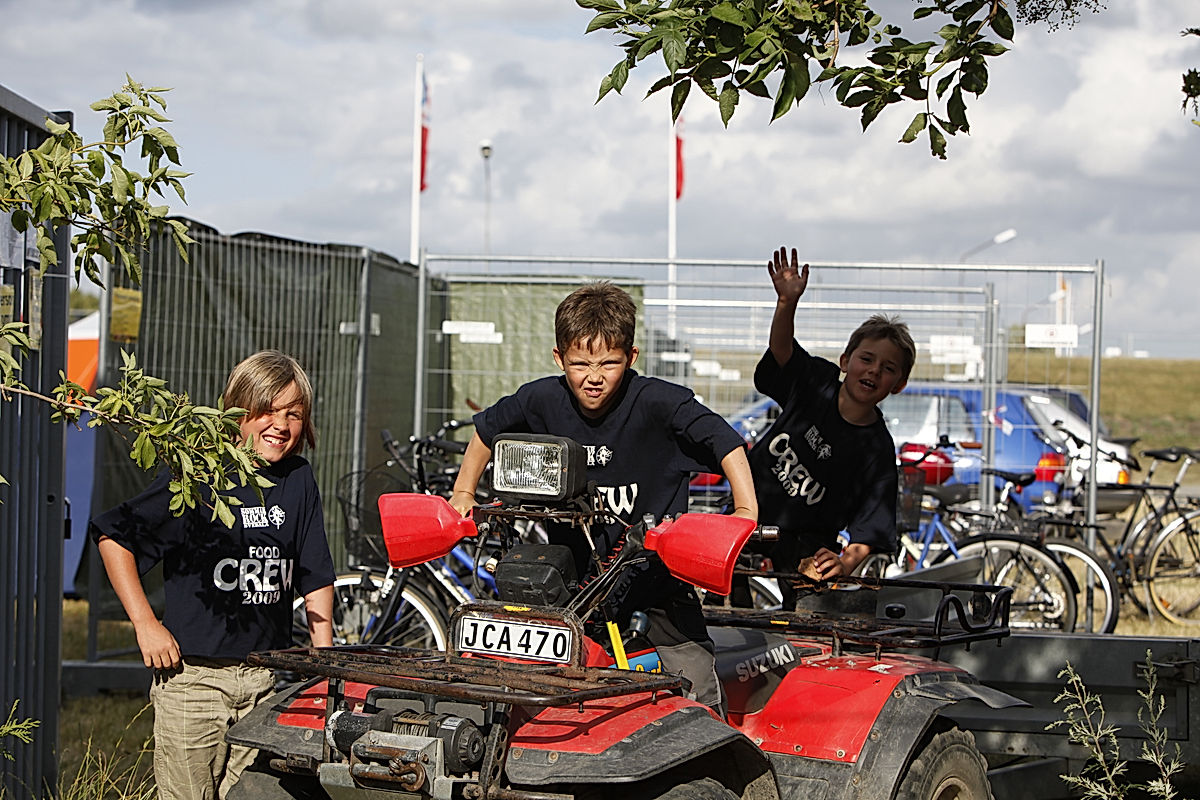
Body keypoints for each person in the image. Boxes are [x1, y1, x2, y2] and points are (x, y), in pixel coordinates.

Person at [450, 281, 757, 711]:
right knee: (533, 694)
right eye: (580, 364)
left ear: (631, 358)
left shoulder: (659, 403)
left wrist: (745, 511)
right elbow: (487, 430)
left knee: (696, 687)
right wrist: (463, 492)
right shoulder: (541, 399)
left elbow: (726, 441)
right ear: (559, 358)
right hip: (569, 585)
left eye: (609, 363)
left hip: (655, 581)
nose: (594, 377)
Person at [89, 350, 335, 800]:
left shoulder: (299, 479)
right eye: (266, 410)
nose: (280, 425)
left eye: (293, 414)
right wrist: (146, 625)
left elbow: (315, 574)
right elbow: (115, 537)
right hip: (193, 682)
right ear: (237, 411)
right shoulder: (200, 473)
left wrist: (324, 668)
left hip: (266, 682)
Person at [749, 246, 914, 592]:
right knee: (722, 600)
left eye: (887, 369)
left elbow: (870, 530)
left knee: (811, 611)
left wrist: (844, 562)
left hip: (806, 542)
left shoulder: (877, 450)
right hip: (748, 508)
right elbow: (782, 352)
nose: (873, 371)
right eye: (866, 359)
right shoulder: (817, 382)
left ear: (898, 385)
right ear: (845, 361)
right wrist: (786, 303)